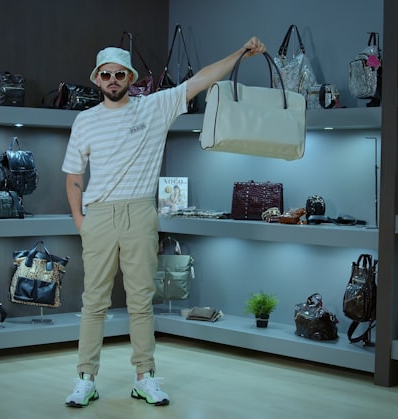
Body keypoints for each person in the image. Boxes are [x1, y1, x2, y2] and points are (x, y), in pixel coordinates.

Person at [61, 36, 266, 408]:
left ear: (129, 77)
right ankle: (85, 379)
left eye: (118, 74)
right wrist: (81, 222)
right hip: (99, 216)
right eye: (105, 74)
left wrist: (239, 53)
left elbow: (201, 80)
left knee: (141, 301)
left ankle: (145, 377)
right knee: (94, 303)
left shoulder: (154, 107)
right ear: (96, 79)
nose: (112, 79)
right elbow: (74, 176)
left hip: (140, 212)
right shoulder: (85, 121)